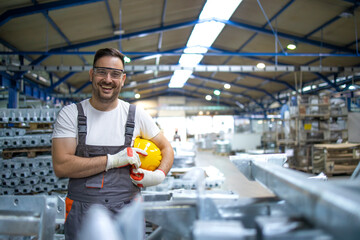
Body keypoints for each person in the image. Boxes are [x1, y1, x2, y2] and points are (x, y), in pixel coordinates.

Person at [52, 48, 174, 239]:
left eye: (115, 74)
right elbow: (61, 165)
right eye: (102, 72)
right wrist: (113, 160)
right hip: (82, 212)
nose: (108, 79)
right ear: (92, 74)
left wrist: (158, 175)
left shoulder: (136, 115)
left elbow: (166, 148)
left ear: (123, 79)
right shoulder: (71, 115)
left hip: (127, 211)